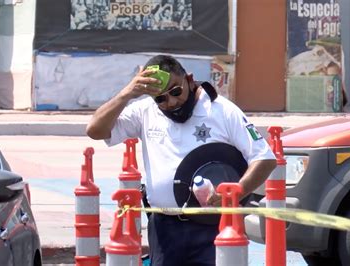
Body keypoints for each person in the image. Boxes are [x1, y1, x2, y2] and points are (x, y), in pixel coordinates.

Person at [86, 55, 277, 265]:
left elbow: (264, 158)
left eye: (176, 91)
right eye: (161, 98)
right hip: (164, 229)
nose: (172, 102)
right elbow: (95, 130)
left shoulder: (222, 111)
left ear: (189, 79)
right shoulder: (144, 112)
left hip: (213, 227)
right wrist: (127, 94)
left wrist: (236, 191)